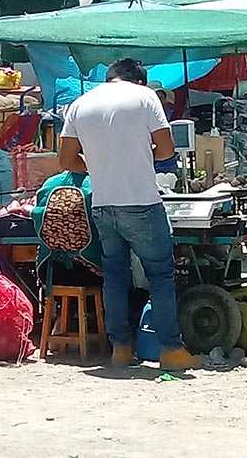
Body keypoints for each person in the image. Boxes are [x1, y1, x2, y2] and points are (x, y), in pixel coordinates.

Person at [58, 58, 201, 370]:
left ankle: (120, 349)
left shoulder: (80, 104)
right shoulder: (145, 97)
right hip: (141, 203)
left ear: (109, 79)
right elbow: (165, 150)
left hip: (103, 205)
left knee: (115, 276)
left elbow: (66, 159)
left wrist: (98, 166)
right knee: (161, 276)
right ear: (139, 81)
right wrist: (138, 159)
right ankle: (171, 350)